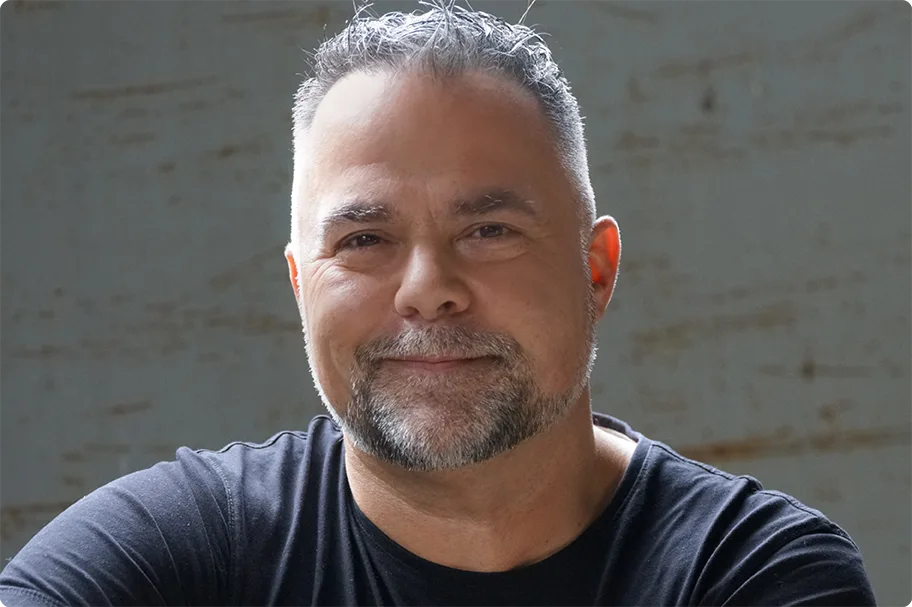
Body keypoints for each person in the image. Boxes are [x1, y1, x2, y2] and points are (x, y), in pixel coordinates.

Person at [0, 4, 876, 606]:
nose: (427, 288)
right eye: (363, 239)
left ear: (596, 270)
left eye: (489, 229)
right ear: (302, 287)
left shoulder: (750, 573)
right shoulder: (173, 556)